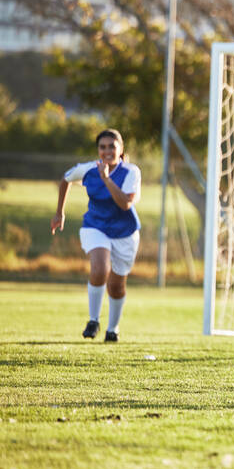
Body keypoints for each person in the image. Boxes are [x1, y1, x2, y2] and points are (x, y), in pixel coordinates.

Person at [51, 129, 141, 343]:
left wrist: (107, 179)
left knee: (117, 285)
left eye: (112, 146)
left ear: (121, 150)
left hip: (124, 233)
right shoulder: (88, 169)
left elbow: (125, 203)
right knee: (100, 267)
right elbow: (65, 180)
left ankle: (112, 329)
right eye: (103, 147)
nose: (107, 150)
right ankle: (93, 320)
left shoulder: (131, 172)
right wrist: (59, 213)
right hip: (95, 226)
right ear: (98, 150)